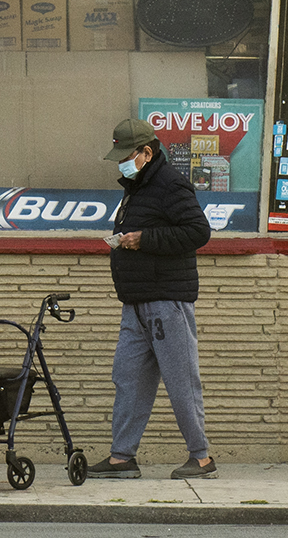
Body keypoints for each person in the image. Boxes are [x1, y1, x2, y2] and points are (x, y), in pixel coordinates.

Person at [86, 118, 216, 480]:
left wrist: (143, 239)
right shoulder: (138, 187)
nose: (122, 164)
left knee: (180, 381)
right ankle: (121, 458)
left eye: (127, 156)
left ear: (147, 152)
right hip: (137, 302)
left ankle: (201, 458)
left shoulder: (170, 184)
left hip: (166, 302)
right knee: (128, 379)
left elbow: (197, 231)